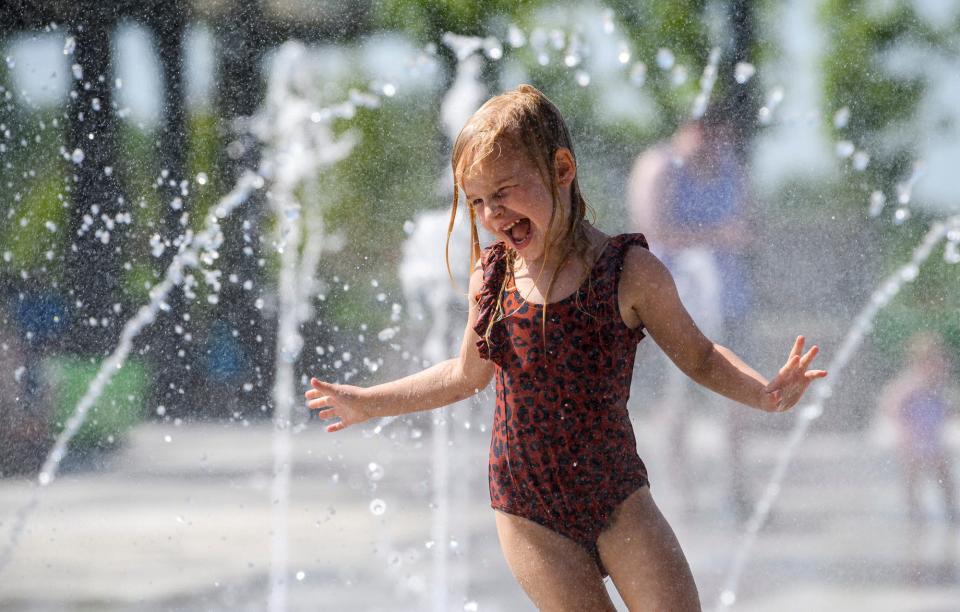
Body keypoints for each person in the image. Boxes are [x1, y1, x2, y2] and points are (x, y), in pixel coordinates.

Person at [305, 84, 826, 611]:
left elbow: (700, 355)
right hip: (526, 510)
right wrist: (369, 402)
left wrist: (761, 390)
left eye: (504, 192)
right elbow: (465, 375)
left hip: (617, 495)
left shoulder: (628, 272)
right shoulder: (493, 281)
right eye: (479, 201)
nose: (492, 214)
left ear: (561, 170)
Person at [627, 110, 754, 517]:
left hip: (726, 302)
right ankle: (677, 493)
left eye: (723, 140)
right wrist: (719, 235)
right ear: (692, 130)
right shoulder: (660, 167)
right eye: (711, 138)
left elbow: (750, 229)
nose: (717, 148)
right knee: (675, 399)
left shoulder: (731, 171)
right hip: (669, 304)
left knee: (739, 395)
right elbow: (652, 232)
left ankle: (736, 489)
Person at [878, 331, 957, 524]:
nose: (940, 366)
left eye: (941, 362)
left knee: (944, 477)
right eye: (933, 362)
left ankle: (951, 512)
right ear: (920, 363)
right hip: (911, 441)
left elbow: (950, 409)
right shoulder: (909, 385)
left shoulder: (939, 386)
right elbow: (892, 406)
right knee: (913, 480)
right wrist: (903, 430)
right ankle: (914, 514)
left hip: (934, 440)